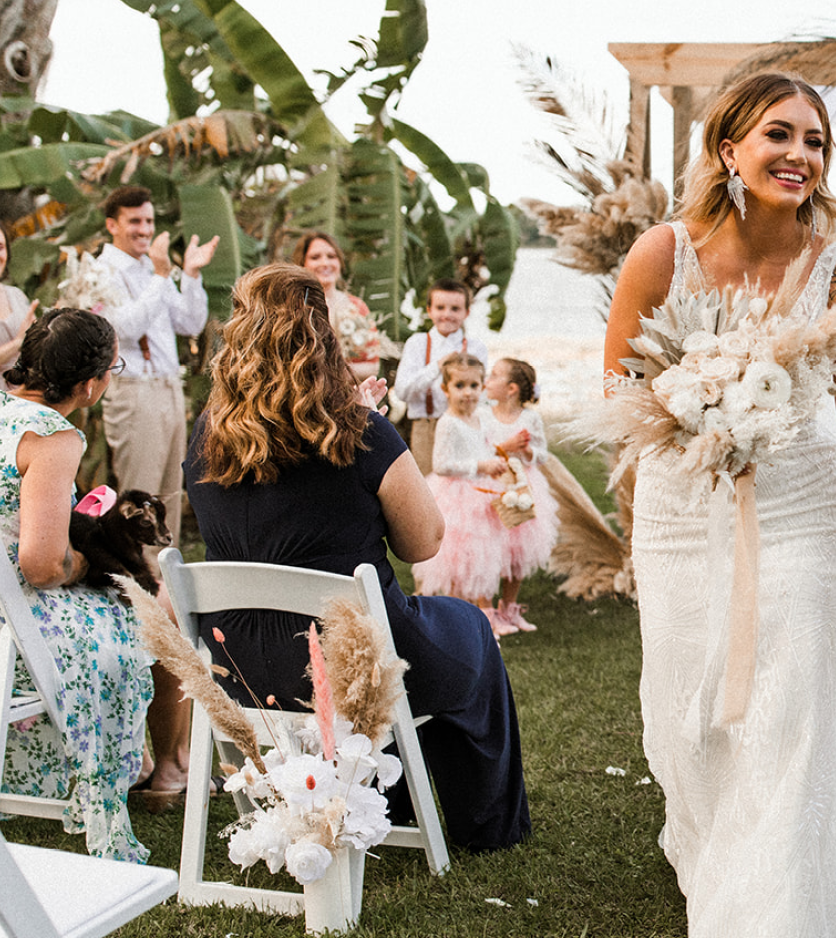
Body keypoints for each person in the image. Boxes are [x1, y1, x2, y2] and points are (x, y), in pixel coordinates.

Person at [600, 71, 836, 936]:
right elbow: (620, 393)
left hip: (802, 507)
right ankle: (712, 847)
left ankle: (772, 907)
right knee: (685, 714)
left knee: (790, 706)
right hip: (681, 508)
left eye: (813, 140)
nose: (799, 154)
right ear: (729, 149)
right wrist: (697, 410)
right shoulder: (664, 251)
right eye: (778, 134)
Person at [184, 264, 528, 853]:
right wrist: (370, 426)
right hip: (353, 668)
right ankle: (487, 828)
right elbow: (423, 544)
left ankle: (384, 802)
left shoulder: (206, 434)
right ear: (322, 340)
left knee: (438, 635)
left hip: (242, 669)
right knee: (469, 628)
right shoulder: (360, 431)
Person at [0, 308, 153, 861]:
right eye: (114, 366)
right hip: (18, 623)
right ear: (88, 384)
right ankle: (156, 769)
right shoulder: (50, 435)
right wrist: (90, 565)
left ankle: (149, 762)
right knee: (151, 609)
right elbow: (41, 565)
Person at [93, 184, 217, 815]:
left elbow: (189, 323)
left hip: (169, 385)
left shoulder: (153, 271)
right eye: (134, 221)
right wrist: (161, 278)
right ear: (113, 224)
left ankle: (167, 594)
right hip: (132, 388)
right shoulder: (103, 272)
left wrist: (186, 278)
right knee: (139, 507)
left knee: (170, 502)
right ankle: (144, 602)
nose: (144, 229)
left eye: (149, 220)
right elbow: (127, 326)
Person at [409, 353, 514, 635]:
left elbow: (484, 448)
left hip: (483, 494)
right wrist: (481, 465)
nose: (467, 393)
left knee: (484, 554)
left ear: (482, 388)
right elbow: (441, 465)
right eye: (459, 386)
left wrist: (495, 463)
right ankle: (459, 616)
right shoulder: (448, 422)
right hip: (456, 498)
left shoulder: (480, 418)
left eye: (473, 386)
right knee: (459, 559)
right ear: (445, 389)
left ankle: (483, 615)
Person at [481, 357, 558, 632]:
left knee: (518, 550)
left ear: (511, 389)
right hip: (491, 485)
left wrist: (527, 452)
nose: (486, 380)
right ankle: (486, 611)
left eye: (494, 375)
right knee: (488, 548)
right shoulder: (482, 415)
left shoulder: (530, 418)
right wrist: (506, 446)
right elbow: (478, 453)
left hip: (522, 486)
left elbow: (542, 453)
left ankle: (509, 609)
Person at [392, 279, 486, 475]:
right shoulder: (417, 344)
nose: (447, 315)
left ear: (466, 312)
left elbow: (483, 395)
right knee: (428, 486)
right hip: (426, 427)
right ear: (429, 310)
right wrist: (436, 367)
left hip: (464, 426)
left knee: (466, 481)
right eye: (440, 307)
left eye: (455, 309)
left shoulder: (476, 348)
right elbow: (402, 391)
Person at [294, 230, 383, 382]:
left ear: (340, 262)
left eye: (331, 256)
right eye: (315, 257)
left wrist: (332, 375)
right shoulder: (293, 307)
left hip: (349, 398)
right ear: (302, 264)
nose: (325, 263)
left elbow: (373, 366)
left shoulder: (357, 307)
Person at [0, 224, 38, 371]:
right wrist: (18, 343)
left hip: (25, 390)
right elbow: (23, 340)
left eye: (0, 247)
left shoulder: (16, 295)